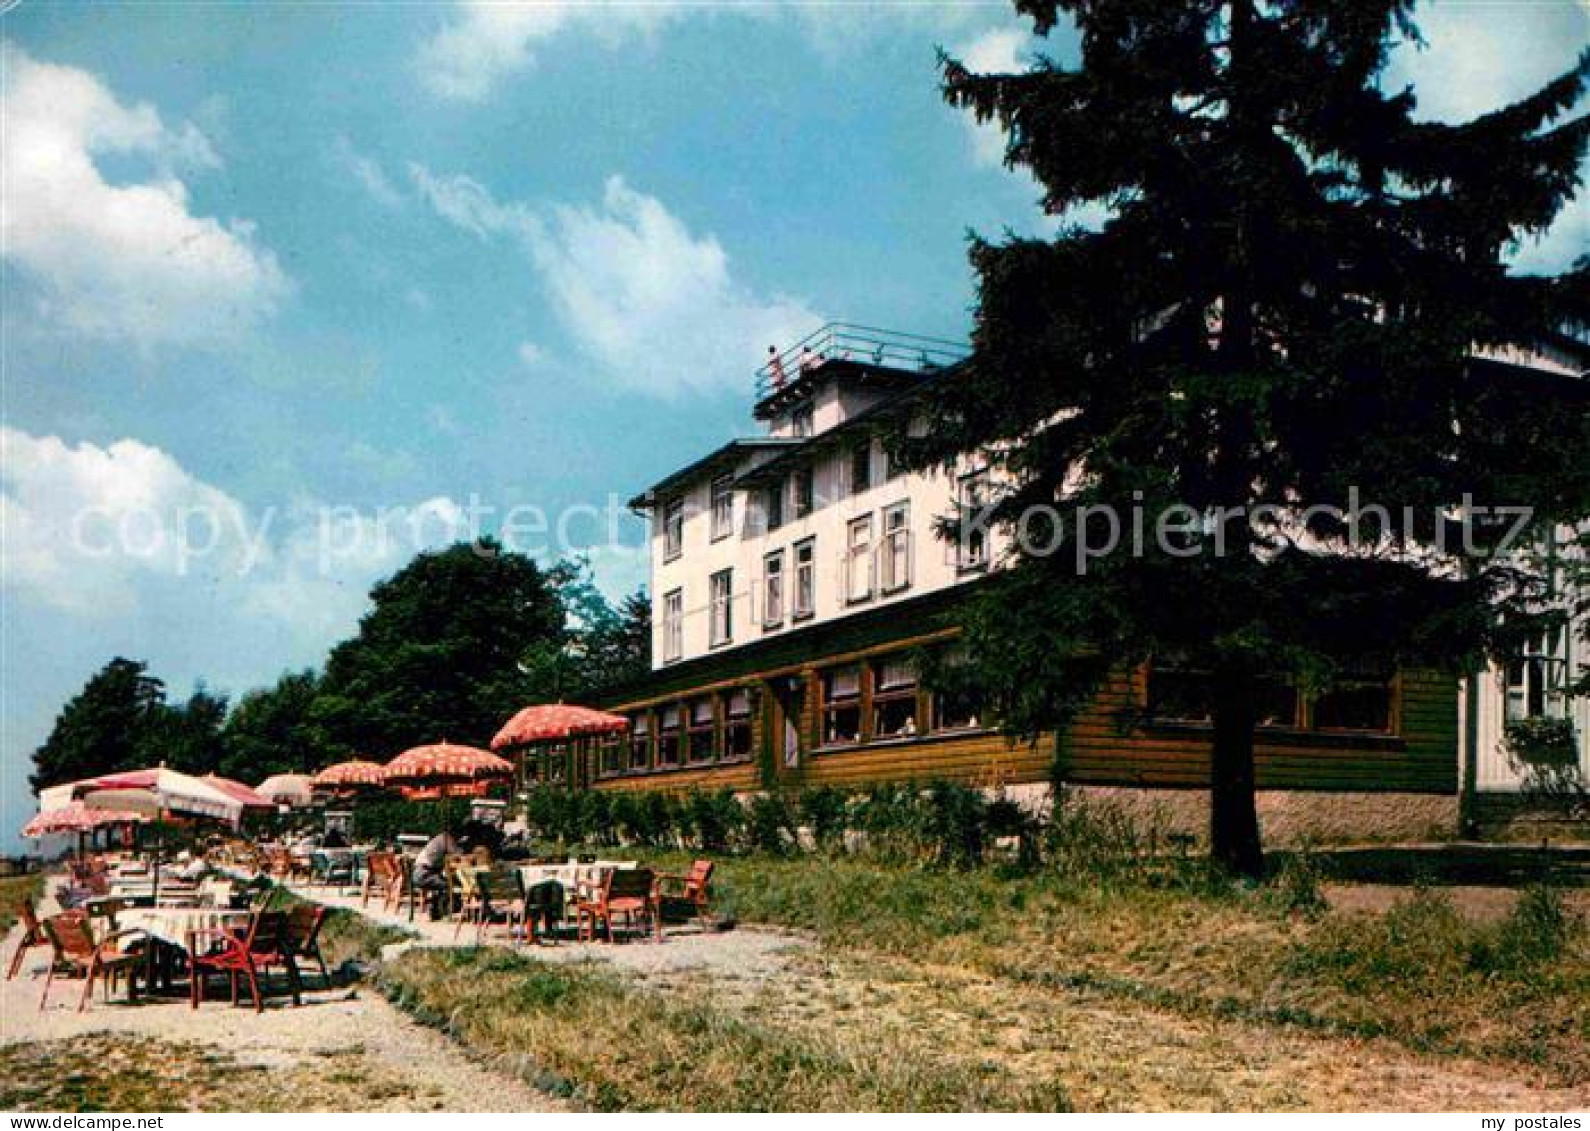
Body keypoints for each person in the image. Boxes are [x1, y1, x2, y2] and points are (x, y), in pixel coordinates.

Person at [413, 828, 461, 920]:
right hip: (424, 874)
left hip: (419, 873)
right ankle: (442, 911)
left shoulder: (439, 838)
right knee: (449, 885)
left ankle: (436, 911)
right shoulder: (447, 839)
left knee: (444, 883)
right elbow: (458, 854)